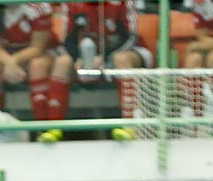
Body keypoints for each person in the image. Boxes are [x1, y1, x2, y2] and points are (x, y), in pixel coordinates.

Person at [38, 1, 148, 142]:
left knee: (121, 60)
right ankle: (54, 128)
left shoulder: (123, 2)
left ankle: (130, 126)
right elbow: (68, 39)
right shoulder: (72, 3)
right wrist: (77, 56)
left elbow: (130, 37)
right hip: (87, 54)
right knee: (62, 62)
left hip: (127, 51)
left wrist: (104, 56)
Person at [0, 3, 69, 133]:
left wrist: (14, 60)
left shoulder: (38, 7)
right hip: (7, 55)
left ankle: (43, 127)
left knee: (37, 65)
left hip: (44, 52)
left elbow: (38, 47)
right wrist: (9, 62)